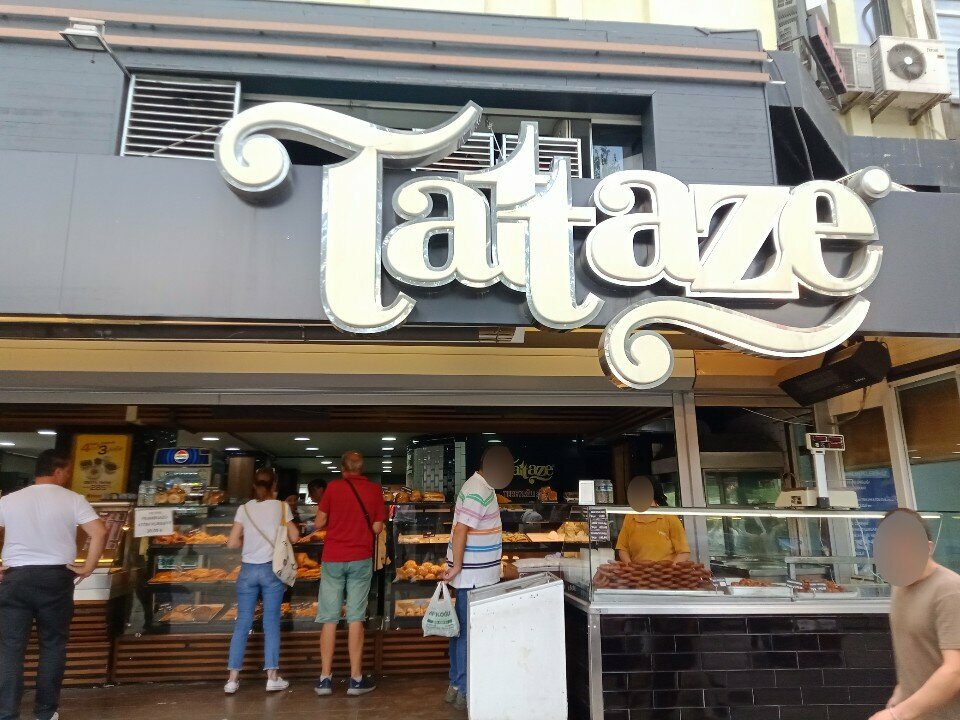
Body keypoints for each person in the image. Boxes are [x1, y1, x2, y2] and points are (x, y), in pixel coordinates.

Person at [0, 449, 108, 720]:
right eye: (68, 472)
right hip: (55, 578)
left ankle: (6, 713)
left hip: (16, 578)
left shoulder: (9, 500)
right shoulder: (73, 499)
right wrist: (88, 567)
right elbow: (99, 531)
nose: (68, 477)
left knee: (11, 648)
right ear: (58, 471)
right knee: (53, 645)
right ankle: (45, 713)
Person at [870, 508, 960, 720]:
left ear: (928, 548)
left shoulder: (950, 590)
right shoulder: (899, 585)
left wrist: (897, 714)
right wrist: (902, 690)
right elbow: (917, 648)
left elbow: (955, 670)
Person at [441, 445, 512, 710]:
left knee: (461, 631)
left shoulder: (481, 486)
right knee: (467, 634)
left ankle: (456, 686)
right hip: (473, 577)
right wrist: (458, 566)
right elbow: (461, 530)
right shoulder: (478, 489)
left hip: (474, 574)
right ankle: (463, 689)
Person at [313, 452, 385, 697]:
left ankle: (325, 678)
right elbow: (377, 527)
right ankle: (355, 679)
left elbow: (319, 522)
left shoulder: (333, 488)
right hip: (360, 558)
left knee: (329, 618)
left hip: (333, 557)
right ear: (361, 468)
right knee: (355, 617)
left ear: (342, 469)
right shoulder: (374, 490)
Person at [224, 467, 299, 695]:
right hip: (271, 570)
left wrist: (248, 540)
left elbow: (232, 543)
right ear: (274, 485)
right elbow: (295, 536)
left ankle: (232, 679)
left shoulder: (244, 509)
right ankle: (272, 677)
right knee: (271, 622)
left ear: (254, 485)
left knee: (242, 623)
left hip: (247, 570)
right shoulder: (282, 507)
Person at [616, 482, 690, 563]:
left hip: (665, 569)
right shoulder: (630, 517)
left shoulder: (669, 517)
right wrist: (630, 566)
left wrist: (671, 568)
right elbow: (622, 549)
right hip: (638, 570)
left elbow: (684, 552)